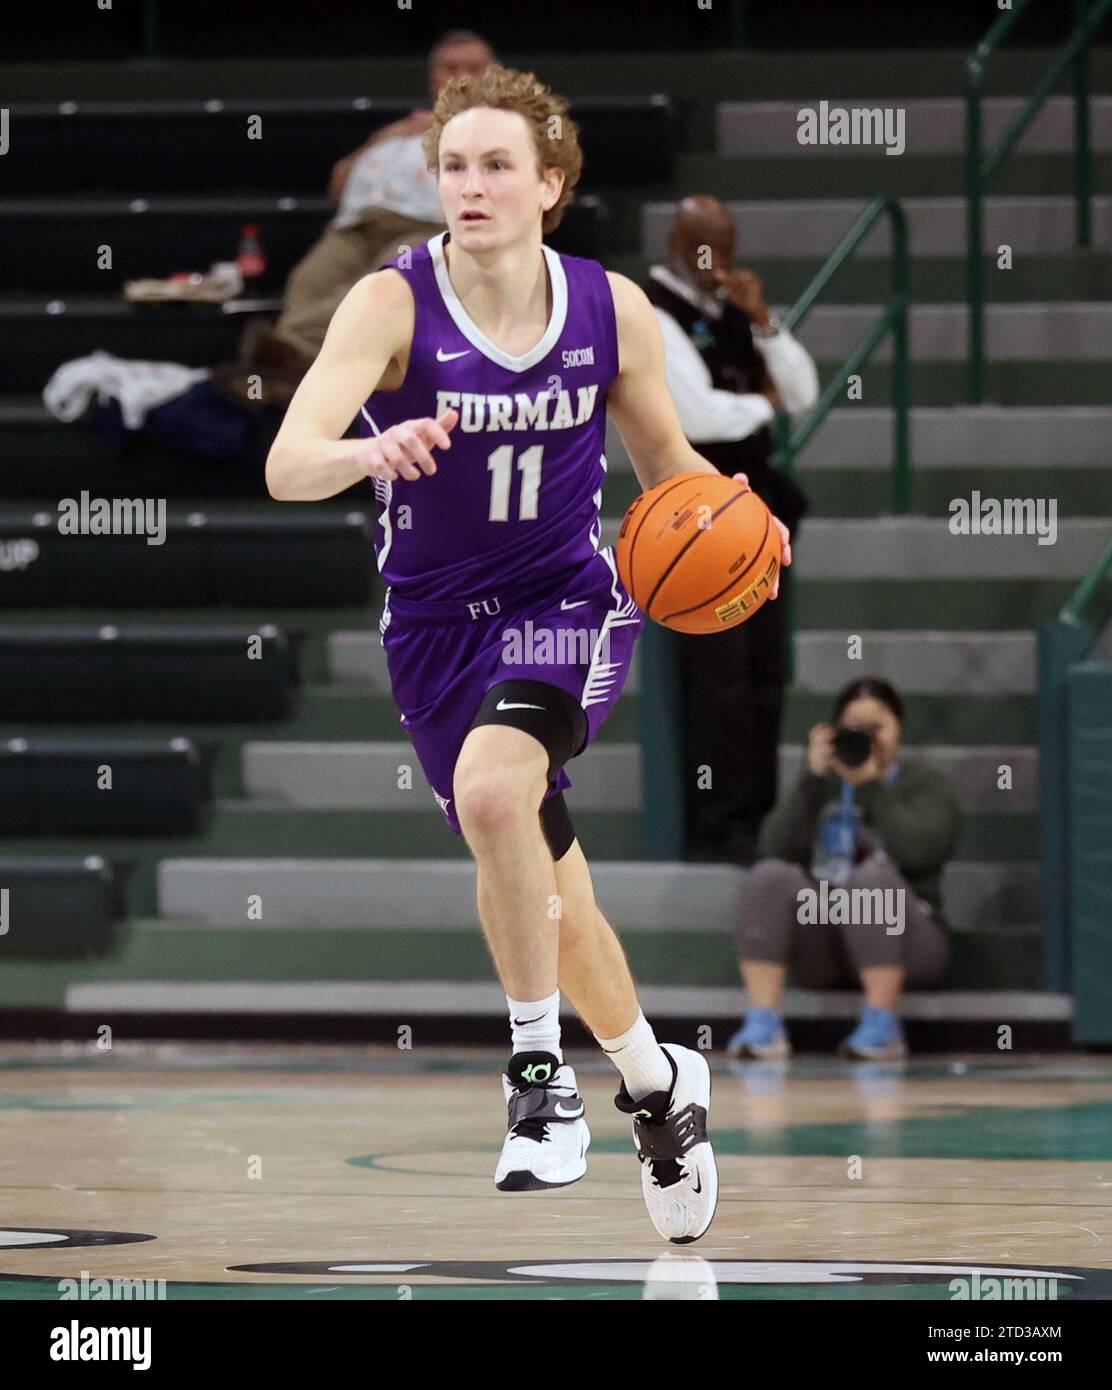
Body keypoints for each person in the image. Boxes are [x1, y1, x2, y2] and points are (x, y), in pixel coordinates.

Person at [266, 63, 793, 1242]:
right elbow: (287, 461)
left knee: (497, 795)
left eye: (497, 164)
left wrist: (741, 529)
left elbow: (669, 466)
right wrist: (367, 451)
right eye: (453, 165)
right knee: (556, 889)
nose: (470, 184)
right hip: (431, 628)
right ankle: (659, 1087)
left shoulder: (609, 309)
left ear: (549, 184)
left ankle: (537, 1084)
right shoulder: (389, 303)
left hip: (563, 602)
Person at [645, 196, 818, 865]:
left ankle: (761, 819)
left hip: (759, 508)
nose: (715, 260)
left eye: (726, 245)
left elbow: (802, 391)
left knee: (764, 671)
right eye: (702, 245)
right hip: (698, 514)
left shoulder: (736, 310)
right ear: (677, 245)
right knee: (718, 677)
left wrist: (765, 322)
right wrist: (762, 404)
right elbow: (701, 416)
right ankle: (717, 824)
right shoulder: (655, 314)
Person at [218, 31, 495, 405]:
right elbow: (338, 183)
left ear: (493, 72)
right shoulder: (402, 127)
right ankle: (296, 373)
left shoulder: (501, 127)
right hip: (356, 225)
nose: (461, 76)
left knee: (374, 288)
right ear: (434, 77)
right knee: (308, 281)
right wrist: (390, 135)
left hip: (428, 226)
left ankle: (281, 354)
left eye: (473, 68)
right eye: (451, 67)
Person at [727, 678, 961, 1061]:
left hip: (912, 937)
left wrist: (872, 787)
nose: (866, 738)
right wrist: (811, 779)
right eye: (855, 729)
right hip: (829, 939)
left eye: (877, 727)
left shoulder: (925, 785)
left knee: (869, 879)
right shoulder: (823, 787)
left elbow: (921, 852)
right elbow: (774, 848)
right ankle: (764, 1023)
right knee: (769, 876)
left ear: (899, 729)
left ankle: (882, 1023)